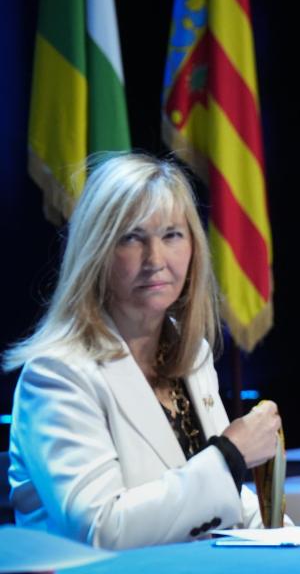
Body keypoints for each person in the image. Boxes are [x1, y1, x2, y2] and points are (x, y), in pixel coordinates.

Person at [5, 153, 282, 549]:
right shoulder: (56, 374)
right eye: (132, 238)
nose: (156, 260)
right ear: (97, 252)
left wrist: (294, 536)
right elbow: (103, 530)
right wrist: (232, 454)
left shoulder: (192, 355)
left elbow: (221, 497)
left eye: (172, 235)